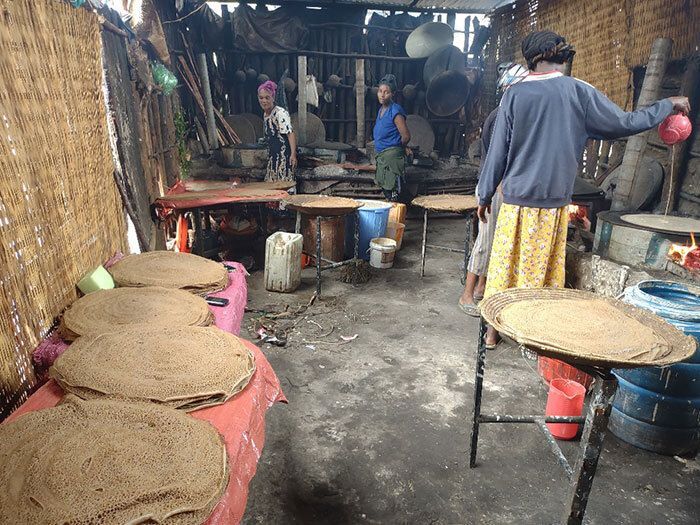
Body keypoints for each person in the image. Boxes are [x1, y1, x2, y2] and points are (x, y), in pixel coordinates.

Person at [477, 30, 690, 348]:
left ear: (532, 60)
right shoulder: (579, 92)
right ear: (560, 57)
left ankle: (493, 331)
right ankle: (533, 338)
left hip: (517, 200)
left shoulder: (515, 95)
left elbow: (498, 151)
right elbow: (626, 123)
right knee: (539, 273)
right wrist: (667, 105)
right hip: (553, 204)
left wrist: (484, 193)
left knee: (505, 265)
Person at [459, 63, 528, 316]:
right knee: (486, 241)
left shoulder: (514, 114)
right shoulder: (501, 116)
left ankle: (481, 287)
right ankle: (467, 293)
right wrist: (495, 186)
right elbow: (495, 158)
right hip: (494, 186)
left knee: (498, 239)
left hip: (503, 186)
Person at [373, 74, 411, 201]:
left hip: (392, 159)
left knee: (393, 192)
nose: (382, 95)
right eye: (380, 91)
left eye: (386, 92)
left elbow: (406, 136)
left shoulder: (395, 111)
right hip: (382, 157)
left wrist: (400, 149)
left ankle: (398, 218)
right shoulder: (381, 109)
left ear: (393, 94)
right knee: (387, 190)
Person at [258, 80, 298, 182]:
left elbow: (290, 134)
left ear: (273, 98)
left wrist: (293, 155)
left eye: (267, 98)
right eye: (261, 98)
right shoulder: (266, 114)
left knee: (284, 185)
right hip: (274, 157)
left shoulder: (280, 113)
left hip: (284, 156)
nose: (264, 101)